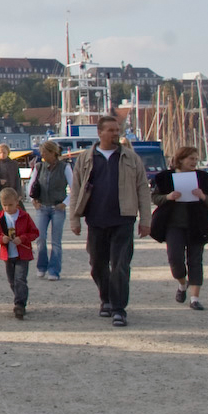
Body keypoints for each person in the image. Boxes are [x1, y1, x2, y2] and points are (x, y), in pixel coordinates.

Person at [68, 115, 152, 327]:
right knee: (97, 265)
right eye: (112, 130)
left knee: (120, 265)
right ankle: (105, 298)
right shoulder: (87, 158)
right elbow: (76, 189)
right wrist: (75, 219)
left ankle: (118, 309)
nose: (116, 133)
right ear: (100, 132)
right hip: (96, 219)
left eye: (118, 130)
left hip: (123, 218)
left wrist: (146, 219)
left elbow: (143, 188)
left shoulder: (131, 158)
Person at [149, 146, 208, 311]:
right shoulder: (165, 178)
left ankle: (195, 299)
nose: (194, 162)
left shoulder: (204, 178)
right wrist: (168, 197)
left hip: (198, 225)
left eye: (195, 159)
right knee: (175, 260)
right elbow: (155, 198)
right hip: (173, 225)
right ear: (180, 159)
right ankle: (182, 283)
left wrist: (202, 196)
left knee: (195, 260)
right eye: (190, 159)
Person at [0, 189, 39, 319]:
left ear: (17, 202)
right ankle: (19, 297)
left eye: (10, 205)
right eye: (4, 205)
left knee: (20, 279)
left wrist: (22, 238)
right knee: (12, 281)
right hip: (8, 254)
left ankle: (20, 304)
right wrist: (1, 239)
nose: (7, 208)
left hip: (23, 254)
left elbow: (34, 233)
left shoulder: (25, 216)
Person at [27, 140, 72, 281]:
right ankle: (41, 266)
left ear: (53, 152)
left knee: (56, 241)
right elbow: (30, 185)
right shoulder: (39, 167)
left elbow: (74, 187)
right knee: (40, 238)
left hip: (57, 207)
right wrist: (33, 200)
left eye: (44, 152)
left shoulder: (64, 167)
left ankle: (54, 270)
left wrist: (65, 203)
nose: (42, 155)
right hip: (42, 207)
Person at [0, 143, 22, 215]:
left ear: (8, 153)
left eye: (4, 152)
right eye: (0, 152)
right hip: (0, 192)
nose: (2, 154)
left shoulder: (14, 164)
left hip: (13, 191)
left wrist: (19, 193)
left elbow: (17, 178)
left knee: (16, 212)